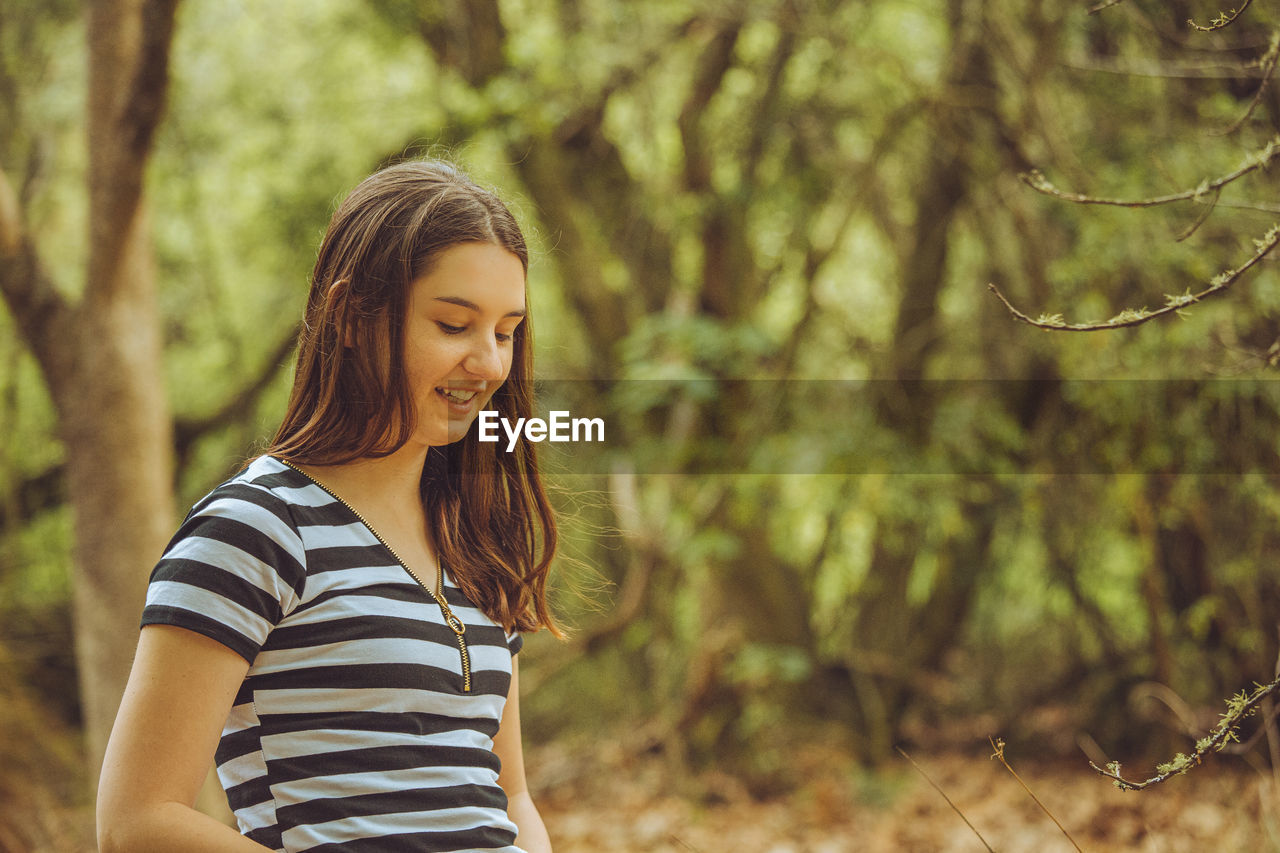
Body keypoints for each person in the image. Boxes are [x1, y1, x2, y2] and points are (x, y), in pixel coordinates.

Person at [97, 160, 559, 853]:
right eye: (454, 324)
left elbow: (508, 792)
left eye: (504, 331)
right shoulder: (256, 531)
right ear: (350, 316)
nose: (490, 364)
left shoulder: (474, 536)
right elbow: (138, 821)